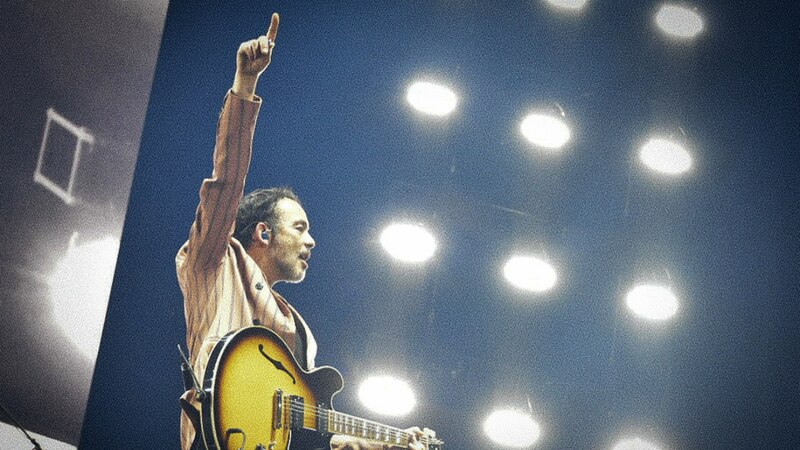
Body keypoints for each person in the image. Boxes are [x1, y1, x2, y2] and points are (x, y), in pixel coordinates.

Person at [176, 13, 434, 450]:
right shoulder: (212, 262)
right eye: (300, 227)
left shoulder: (300, 332)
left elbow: (316, 428)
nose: (312, 241)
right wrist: (244, 86)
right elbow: (226, 184)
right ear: (262, 233)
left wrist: (374, 441)